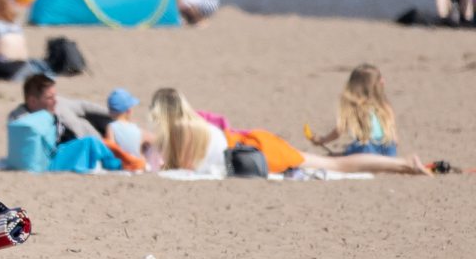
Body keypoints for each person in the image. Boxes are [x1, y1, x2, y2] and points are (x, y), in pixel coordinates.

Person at [148, 87, 428, 176]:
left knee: (336, 164)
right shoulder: (196, 124)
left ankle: (403, 163)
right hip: (257, 144)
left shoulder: (181, 130)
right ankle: (401, 164)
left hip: (259, 153)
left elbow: (179, 166)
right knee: (334, 163)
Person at [308, 64, 400, 157]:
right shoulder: (384, 106)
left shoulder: (356, 107)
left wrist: (323, 140)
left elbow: (339, 130)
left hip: (366, 149)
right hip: (389, 149)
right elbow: (395, 139)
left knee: (331, 157)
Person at [7, 74, 109, 142]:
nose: (55, 101)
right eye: (49, 98)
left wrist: (113, 113)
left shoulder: (60, 103)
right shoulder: (19, 119)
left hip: (99, 140)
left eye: (54, 96)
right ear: (32, 101)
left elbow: (84, 106)